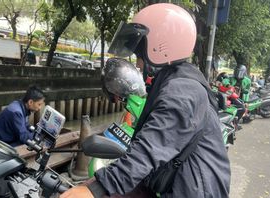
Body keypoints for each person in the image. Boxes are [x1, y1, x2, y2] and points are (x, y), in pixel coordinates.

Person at [61, 3, 230, 198]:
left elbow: (151, 147)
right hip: (172, 181)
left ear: (161, 47)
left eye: (140, 55)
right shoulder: (171, 81)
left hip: (193, 190)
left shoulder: (184, 91)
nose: (138, 63)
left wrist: (96, 189)